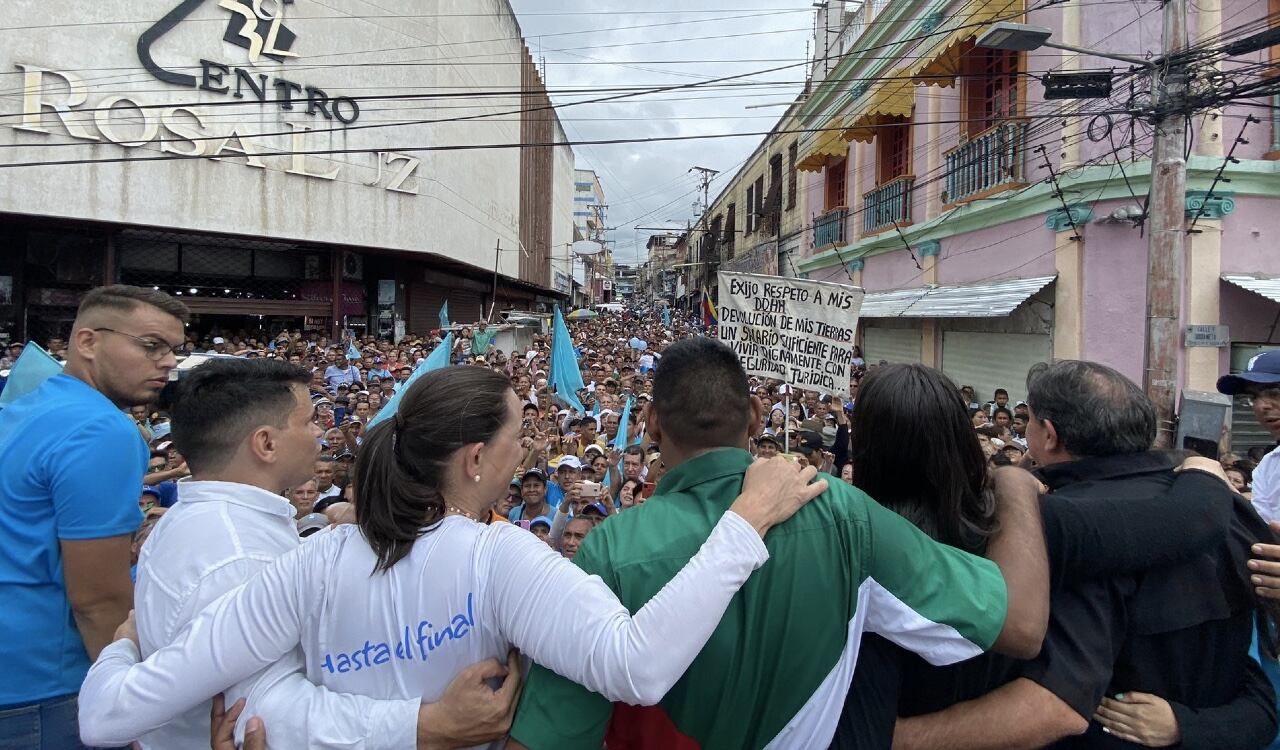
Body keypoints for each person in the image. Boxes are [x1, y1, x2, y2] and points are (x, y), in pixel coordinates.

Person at [78, 366, 825, 747]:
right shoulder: (498, 559)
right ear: (475, 460)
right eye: (516, 437)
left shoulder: (308, 561)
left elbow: (109, 718)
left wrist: (124, 648)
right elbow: (639, 665)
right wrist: (744, 520)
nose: (529, 449)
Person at [508, 337, 1051, 750]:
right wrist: (1015, 486)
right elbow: (1021, 625)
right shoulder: (837, 509)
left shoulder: (608, 551)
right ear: (754, 416)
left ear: (650, 423)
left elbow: (551, 736)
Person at [891, 360, 1277, 749]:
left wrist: (894, 739)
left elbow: (1056, 705)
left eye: (1031, 421)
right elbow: (1251, 664)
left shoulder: (1052, 532)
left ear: (1049, 435)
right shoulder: (1229, 508)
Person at [0, 285, 187, 748]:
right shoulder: (101, 430)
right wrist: (129, 711)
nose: (168, 362)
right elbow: (98, 599)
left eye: (174, 350)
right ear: (87, 342)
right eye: (151, 346)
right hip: (46, 688)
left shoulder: (22, 410)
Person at [1218, 351, 1280, 523]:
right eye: (1253, 397)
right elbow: (1264, 530)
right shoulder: (1268, 466)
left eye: (1274, 392)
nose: (1261, 406)